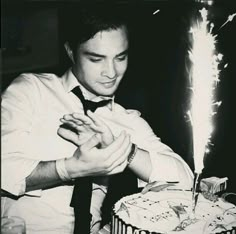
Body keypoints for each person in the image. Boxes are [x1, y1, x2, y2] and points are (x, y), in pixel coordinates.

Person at [1, 4, 193, 234]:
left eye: (120, 57)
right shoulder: (31, 90)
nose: (111, 72)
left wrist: (124, 151)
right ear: (71, 52)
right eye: (96, 59)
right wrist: (69, 169)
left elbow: (184, 180)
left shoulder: (127, 119)